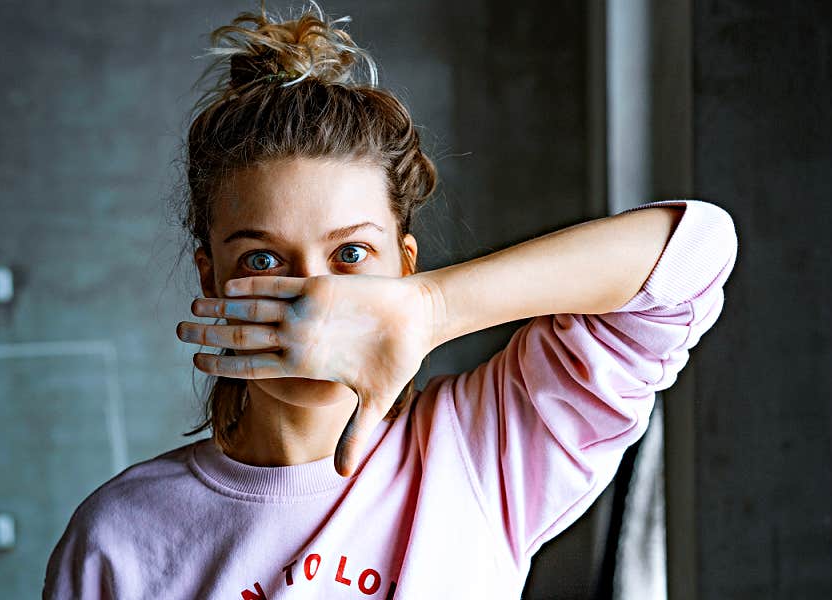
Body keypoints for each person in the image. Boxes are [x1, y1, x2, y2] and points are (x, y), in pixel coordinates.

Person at [43, 2, 738, 598]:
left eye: (350, 256)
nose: (318, 300)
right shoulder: (119, 538)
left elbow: (695, 253)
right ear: (211, 281)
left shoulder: (484, 448)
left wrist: (430, 310)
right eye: (262, 260)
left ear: (404, 269)